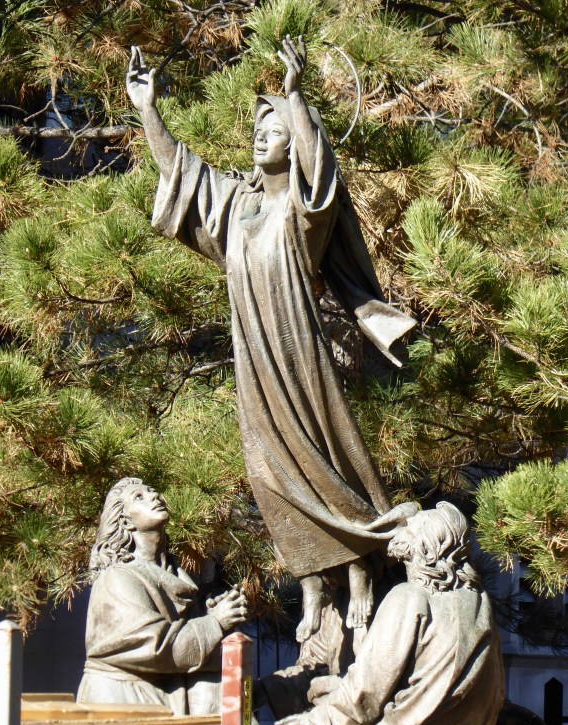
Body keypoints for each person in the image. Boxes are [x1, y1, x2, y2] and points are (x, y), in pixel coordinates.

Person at [126, 35, 416, 643]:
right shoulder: (238, 207)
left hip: (298, 351)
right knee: (266, 470)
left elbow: (322, 177)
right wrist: (149, 110)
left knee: (327, 455)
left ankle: (359, 567)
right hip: (253, 358)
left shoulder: (303, 215)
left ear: (296, 143)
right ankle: (312, 585)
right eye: (258, 130)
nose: (262, 138)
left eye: (276, 131)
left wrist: (295, 98)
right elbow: (182, 173)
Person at [275, 503, 506, 725]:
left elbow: (369, 686)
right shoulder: (478, 601)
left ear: (427, 547)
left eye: (410, 527)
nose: (401, 530)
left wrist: (319, 719)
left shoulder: (409, 597)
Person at [77, 477, 247, 715]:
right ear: (125, 521)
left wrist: (212, 616)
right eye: (139, 497)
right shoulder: (117, 577)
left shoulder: (176, 576)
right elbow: (152, 645)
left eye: (152, 491)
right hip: (126, 704)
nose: (154, 496)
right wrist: (214, 623)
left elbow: (189, 647)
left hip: (164, 700)